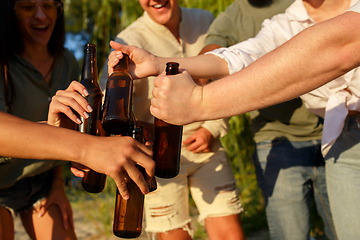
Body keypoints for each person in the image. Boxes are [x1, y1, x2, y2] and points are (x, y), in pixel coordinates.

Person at [108, 1, 360, 239]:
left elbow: (339, 47)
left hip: (317, 137)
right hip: (342, 138)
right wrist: (157, 63)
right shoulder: (285, 21)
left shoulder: (206, 19)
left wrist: (202, 105)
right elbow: (241, 56)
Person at [0, 1, 151, 239]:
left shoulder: (67, 61)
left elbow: (70, 127)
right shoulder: (4, 62)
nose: (41, 15)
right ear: (9, 10)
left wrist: (58, 183)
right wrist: (88, 149)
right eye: (28, 6)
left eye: (49, 5)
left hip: (42, 183)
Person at [100, 0, 245, 239]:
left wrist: (212, 128)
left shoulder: (206, 21)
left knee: (230, 233)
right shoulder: (128, 39)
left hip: (205, 143)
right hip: (159, 152)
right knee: (172, 234)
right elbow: (112, 107)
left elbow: (228, 77)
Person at [200, 0, 336, 239]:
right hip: (276, 138)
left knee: (344, 228)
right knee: (290, 233)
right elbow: (212, 54)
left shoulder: (299, 4)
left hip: (332, 131)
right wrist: (198, 70)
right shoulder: (232, 17)